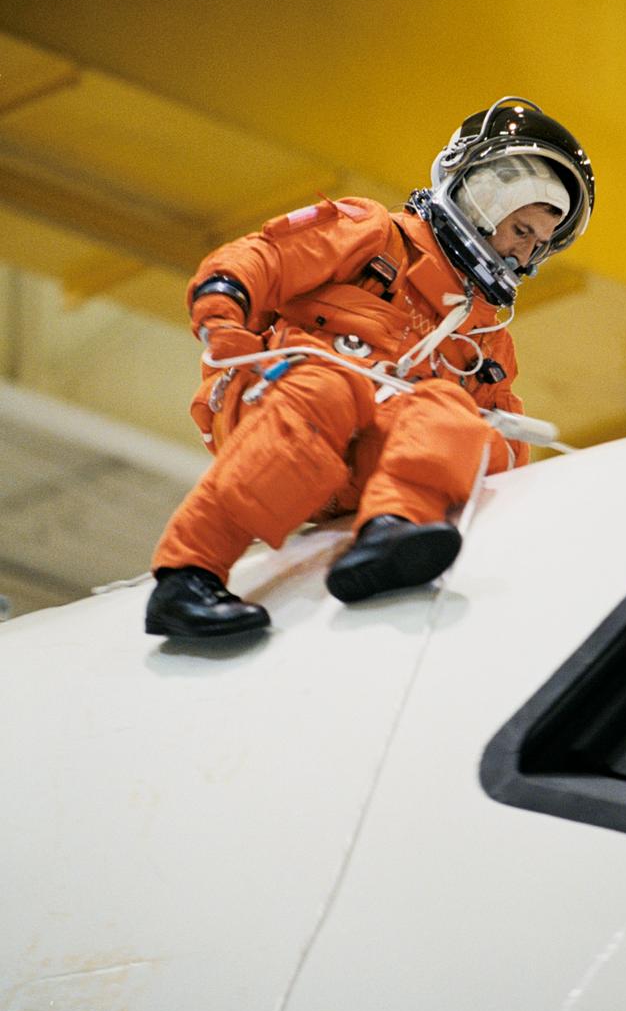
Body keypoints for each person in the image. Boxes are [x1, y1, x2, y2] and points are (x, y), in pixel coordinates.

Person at [145, 96, 594, 637]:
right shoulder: (373, 237)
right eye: (521, 231)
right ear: (484, 199)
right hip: (277, 409)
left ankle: (389, 533)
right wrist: (222, 319)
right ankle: (186, 576)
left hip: (365, 467)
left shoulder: (485, 339)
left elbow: (501, 454)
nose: (523, 258)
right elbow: (260, 259)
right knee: (330, 385)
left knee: (451, 410)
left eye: (539, 246)